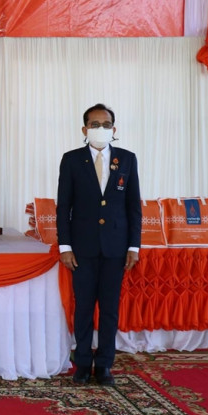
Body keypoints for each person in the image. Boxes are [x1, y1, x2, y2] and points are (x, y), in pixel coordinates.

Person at [56, 103, 141, 386]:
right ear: (85, 129)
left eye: (106, 124)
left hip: (116, 249)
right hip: (82, 249)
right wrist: (65, 247)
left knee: (109, 309)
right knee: (83, 308)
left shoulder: (127, 159)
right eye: (94, 124)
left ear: (113, 129)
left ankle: (104, 364)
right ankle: (82, 362)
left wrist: (134, 246)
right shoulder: (72, 160)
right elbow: (64, 207)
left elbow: (133, 207)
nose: (100, 129)